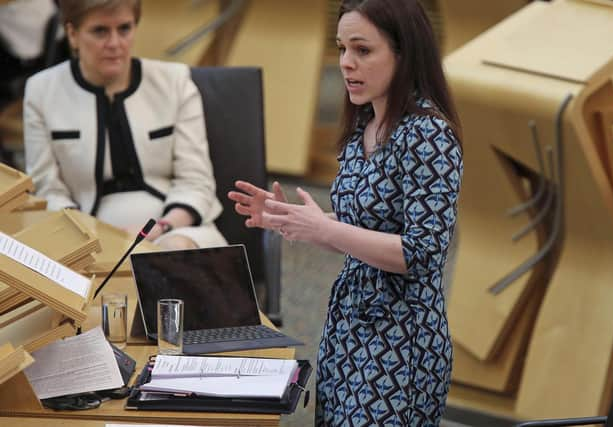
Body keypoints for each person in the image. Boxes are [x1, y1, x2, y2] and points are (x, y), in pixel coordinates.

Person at [229, 0, 463, 425]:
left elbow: (422, 252)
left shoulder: (429, 134)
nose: (346, 64)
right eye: (340, 49)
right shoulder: (363, 129)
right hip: (349, 325)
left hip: (401, 340)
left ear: (403, 52)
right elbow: (360, 230)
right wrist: (291, 220)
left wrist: (326, 229)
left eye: (363, 50)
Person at [23, 0, 226, 250]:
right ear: (73, 34)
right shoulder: (41, 91)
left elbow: (196, 181)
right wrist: (91, 237)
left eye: (124, 29)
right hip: (83, 232)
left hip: (176, 225)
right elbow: (47, 189)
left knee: (175, 252)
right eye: (100, 31)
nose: (115, 43)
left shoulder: (175, 82)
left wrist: (160, 228)